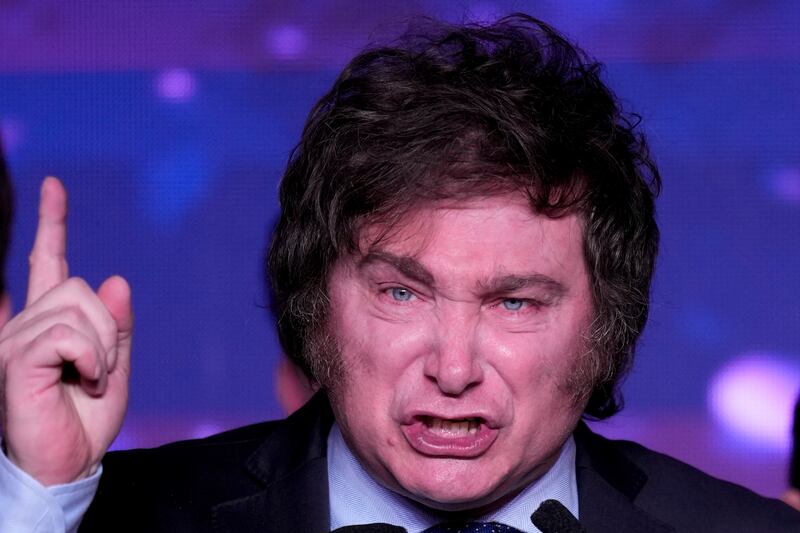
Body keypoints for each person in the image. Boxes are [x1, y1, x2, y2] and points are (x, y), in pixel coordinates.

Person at [1, 14, 799, 533]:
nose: (452, 368)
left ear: (606, 328)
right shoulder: (116, 516)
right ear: (316, 308)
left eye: (514, 302)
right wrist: (41, 498)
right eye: (400, 292)